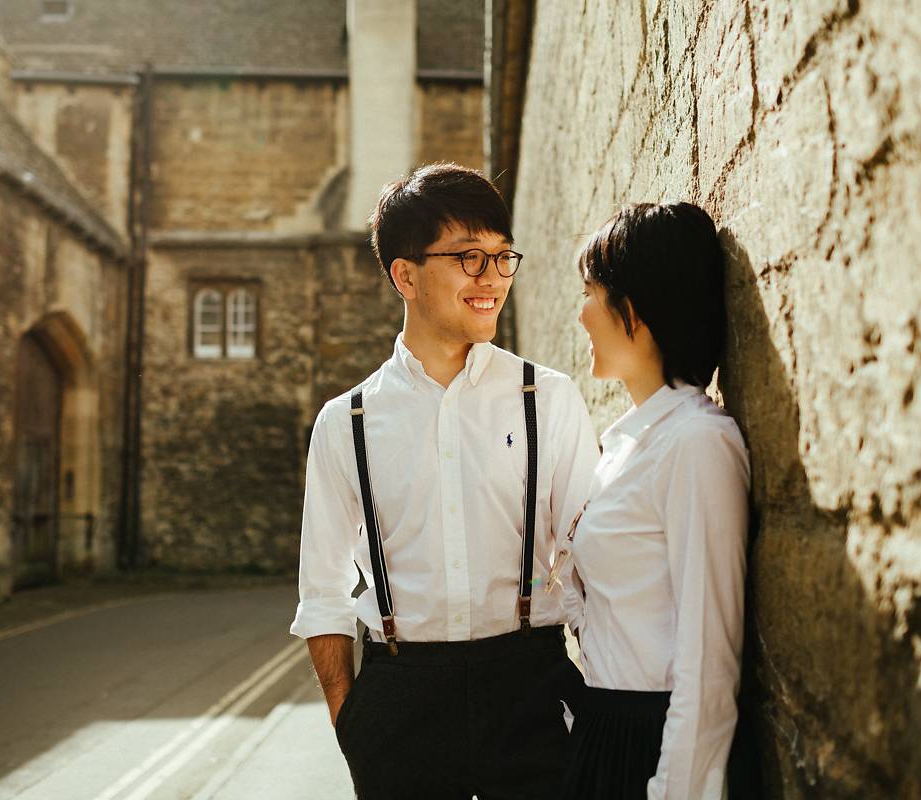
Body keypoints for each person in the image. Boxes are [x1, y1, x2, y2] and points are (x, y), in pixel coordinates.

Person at [290, 163, 599, 799]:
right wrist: (353, 723)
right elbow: (322, 592)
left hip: (529, 689)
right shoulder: (345, 423)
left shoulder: (548, 398)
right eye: (467, 258)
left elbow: (589, 565)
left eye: (500, 258)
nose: (491, 279)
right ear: (405, 275)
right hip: (400, 704)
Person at [556, 203, 750, 799]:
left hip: (658, 747)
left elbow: (708, 665)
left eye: (590, 292)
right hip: (605, 730)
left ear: (633, 310)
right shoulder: (623, 444)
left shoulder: (696, 443)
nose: (581, 313)